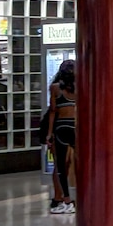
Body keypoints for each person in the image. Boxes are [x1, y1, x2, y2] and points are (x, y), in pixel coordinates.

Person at [46, 60, 76, 215]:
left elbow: (52, 111)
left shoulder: (55, 88)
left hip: (60, 127)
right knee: (78, 164)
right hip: (76, 127)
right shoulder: (79, 89)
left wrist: (49, 134)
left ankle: (66, 200)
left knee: (60, 167)